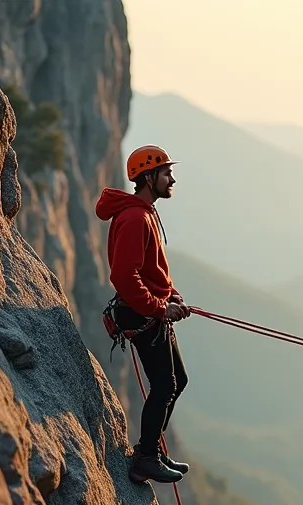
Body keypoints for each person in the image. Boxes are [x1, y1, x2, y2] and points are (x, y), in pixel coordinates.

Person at [96, 144, 193, 484]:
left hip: (151, 311)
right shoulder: (136, 218)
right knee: (165, 383)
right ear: (149, 178)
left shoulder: (146, 213)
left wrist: (172, 296)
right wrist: (159, 307)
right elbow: (124, 275)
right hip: (143, 315)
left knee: (176, 380)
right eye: (166, 173)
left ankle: (151, 449)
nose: (172, 179)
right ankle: (146, 458)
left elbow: (151, 270)